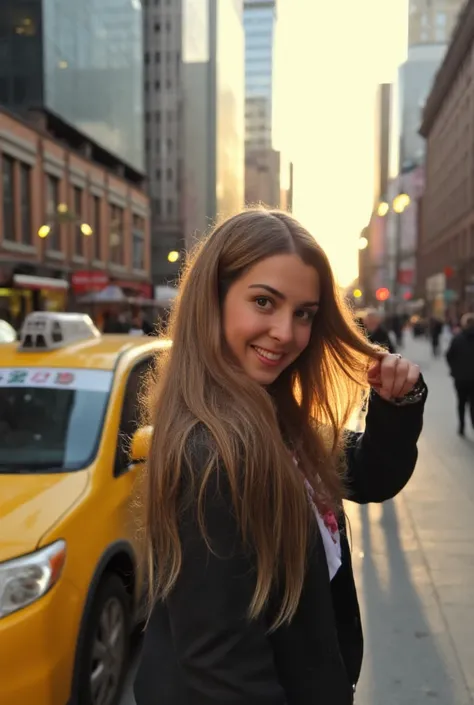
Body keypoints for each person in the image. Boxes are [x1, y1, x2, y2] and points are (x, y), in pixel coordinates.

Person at [134, 209, 427, 705]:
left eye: (304, 313)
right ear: (214, 298)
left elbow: (371, 475)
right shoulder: (212, 450)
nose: (285, 333)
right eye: (264, 302)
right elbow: (222, 668)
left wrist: (397, 403)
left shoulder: (269, 413)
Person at [446, 312, 474, 436]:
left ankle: (462, 425)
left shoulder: (457, 338)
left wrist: (454, 369)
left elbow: (449, 355)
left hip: (460, 377)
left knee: (461, 402)